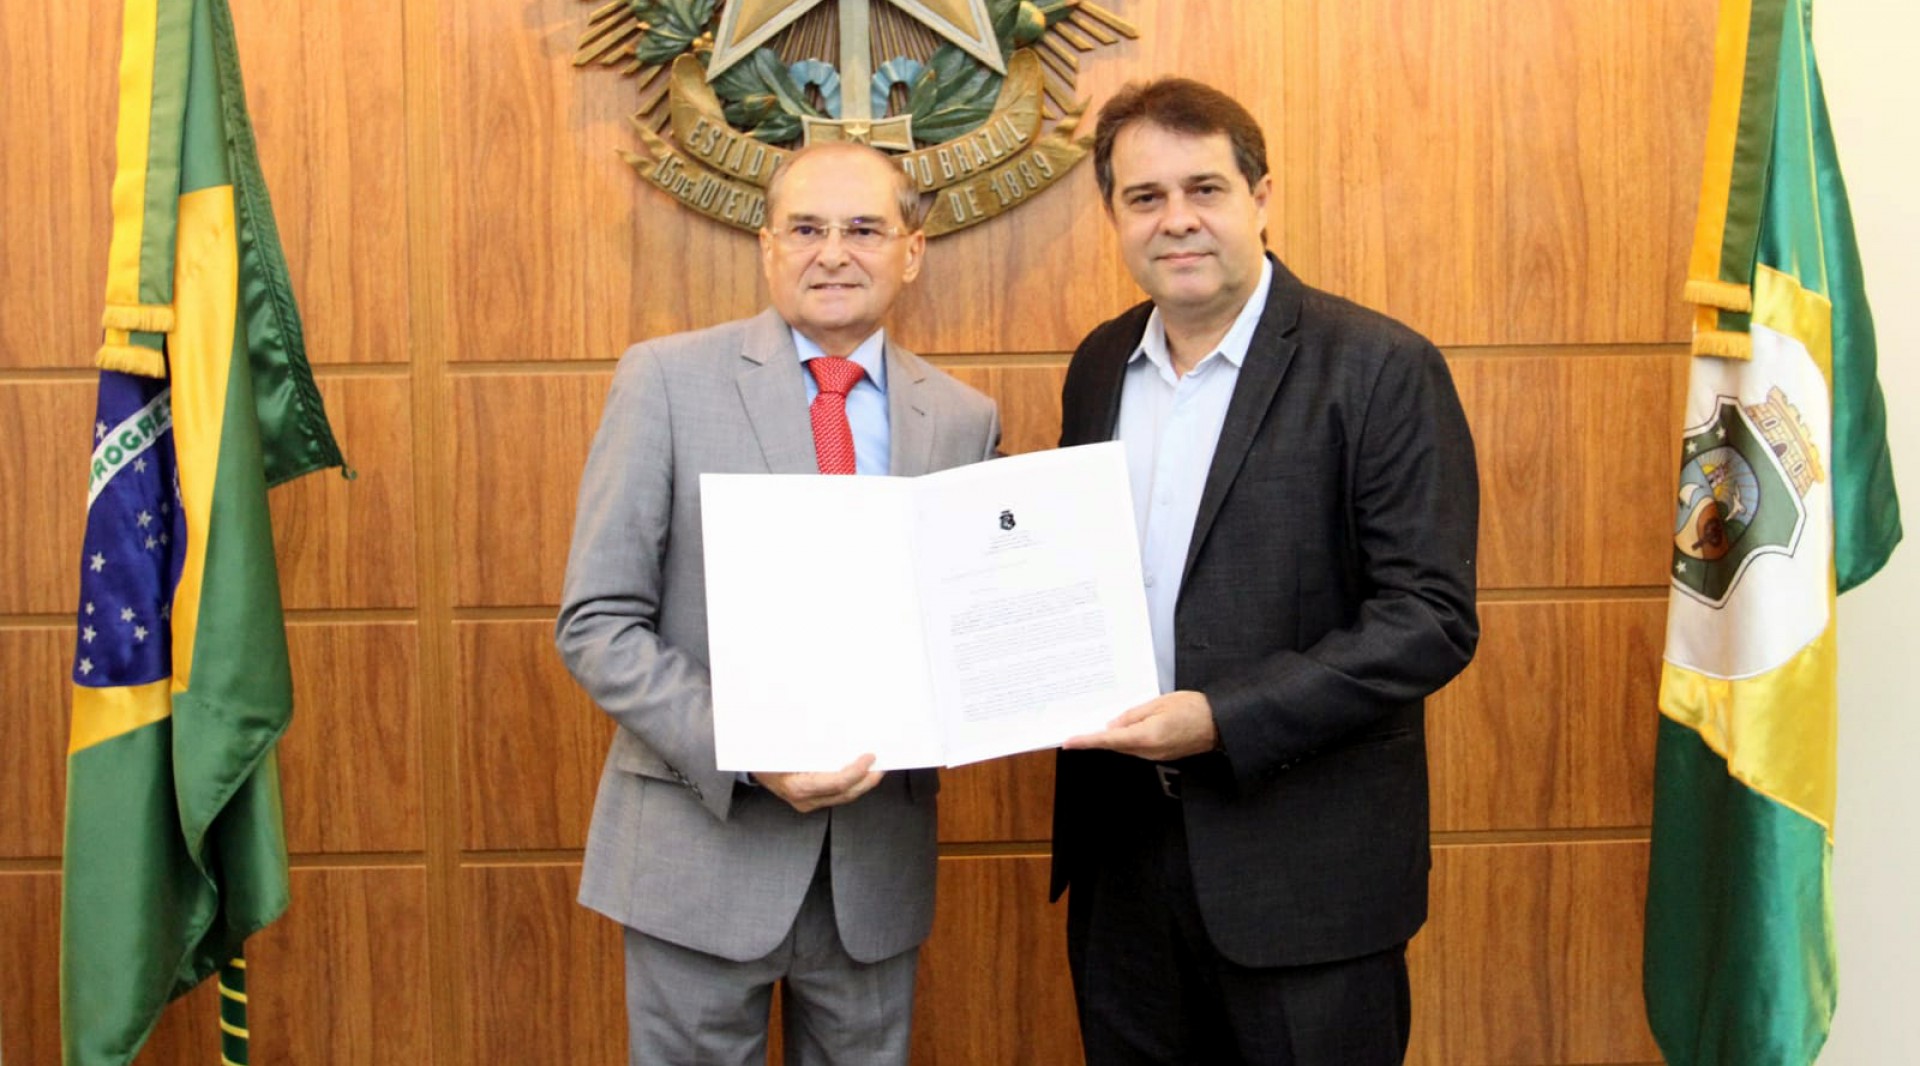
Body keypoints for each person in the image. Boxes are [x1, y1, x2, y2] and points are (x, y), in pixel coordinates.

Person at [1050, 77, 1481, 1064]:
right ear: (1113, 215)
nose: (1178, 221)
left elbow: (1430, 617)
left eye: (1205, 188)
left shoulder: (1378, 367)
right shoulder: (1099, 364)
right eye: (1144, 197)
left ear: (1263, 197)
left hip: (1304, 880)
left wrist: (1223, 717)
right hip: (1124, 864)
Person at [556, 141, 1000, 1065]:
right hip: (700, 854)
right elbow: (597, 623)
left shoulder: (962, 419)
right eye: (806, 228)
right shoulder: (666, 381)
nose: (831, 252)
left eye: (864, 229)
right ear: (767, 248)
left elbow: (968, 628)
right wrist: (754, 749)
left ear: (911, 251)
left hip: (873, 876)